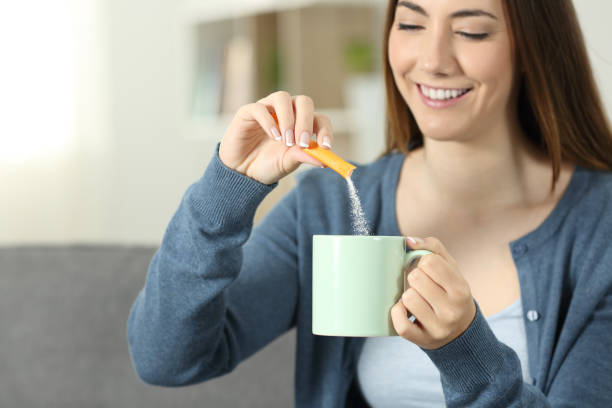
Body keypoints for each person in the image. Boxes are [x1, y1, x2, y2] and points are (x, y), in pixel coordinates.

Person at [127, 0, 612, 406]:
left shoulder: (600, 229)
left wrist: (465, 349)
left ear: (535, 47)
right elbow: (165, 358)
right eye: (410, 24)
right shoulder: (326, 208)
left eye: (470, 31)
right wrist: (227, 188)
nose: (433, 59)